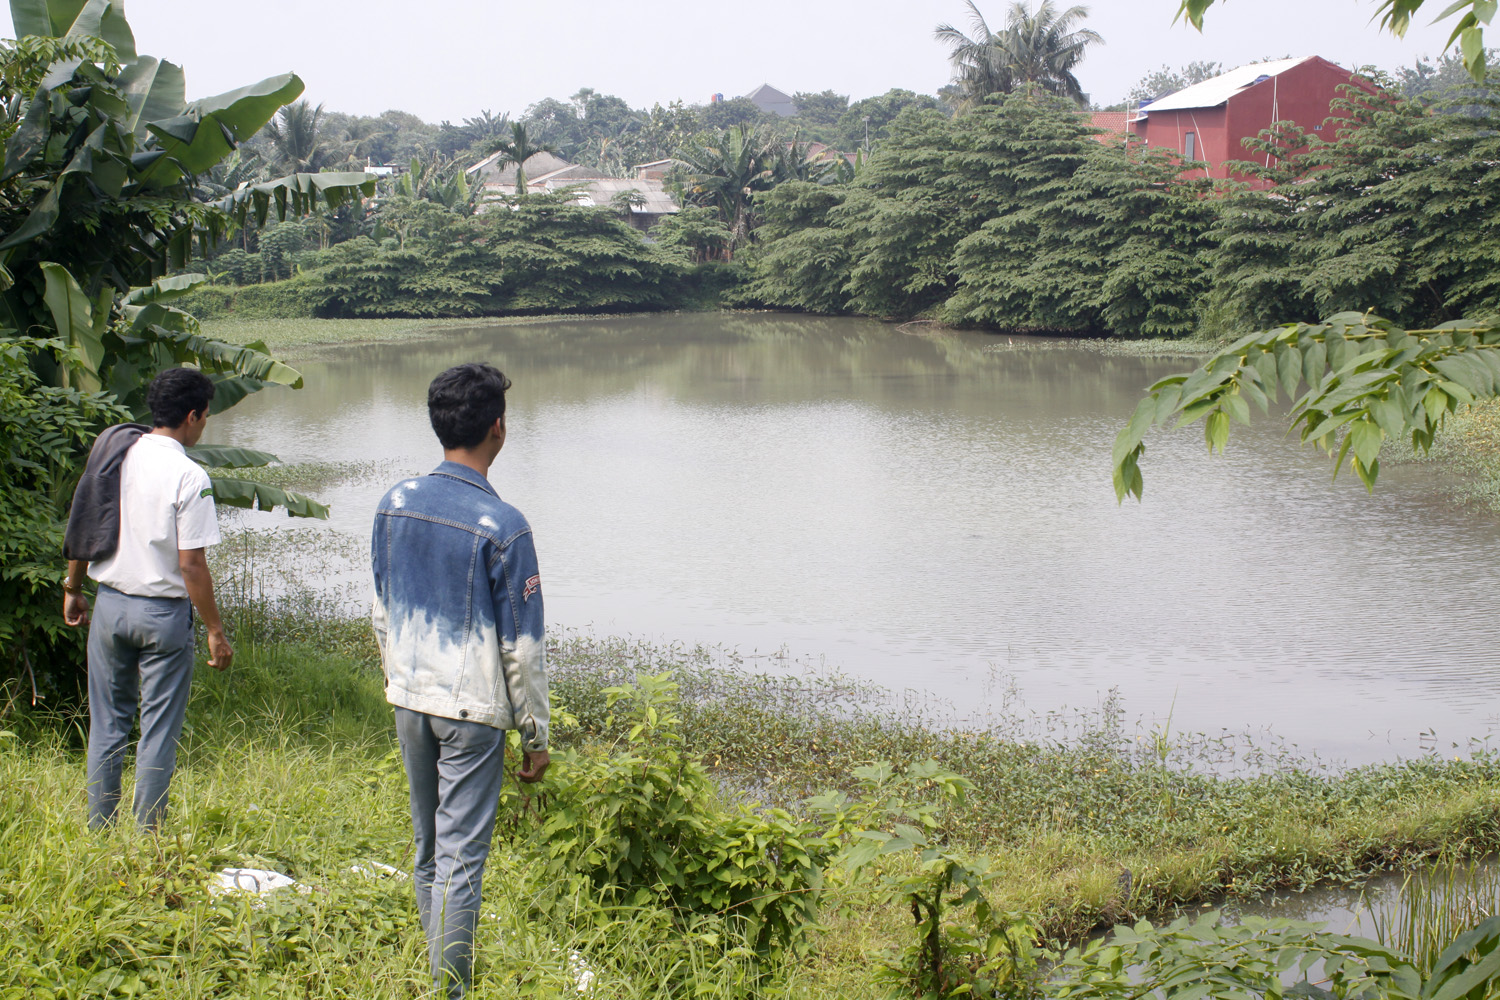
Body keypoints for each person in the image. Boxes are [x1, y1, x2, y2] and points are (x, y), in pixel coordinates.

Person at [371, 362, 551, 999]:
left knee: (427, 846)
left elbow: (384, 608)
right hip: (470, 712)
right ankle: (451, 990)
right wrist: (536, 735)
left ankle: (436, 973)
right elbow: (522, 650)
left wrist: (397, 679)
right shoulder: (505, 527)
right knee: (460, 860)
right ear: (498, 429)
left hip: (409, 696)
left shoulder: (394, 503)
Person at [62, 367, 234, 830]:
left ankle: (99, 828)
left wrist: (73, 588)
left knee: (108, 724)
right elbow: (191, 565)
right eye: (205, 416)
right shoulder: (189, 474)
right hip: (163, 616)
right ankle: (147, 834)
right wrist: (216, 631)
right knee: (158, 730)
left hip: (110, 605)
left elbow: (86, 523)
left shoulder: (114, 453)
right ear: (193, 416)